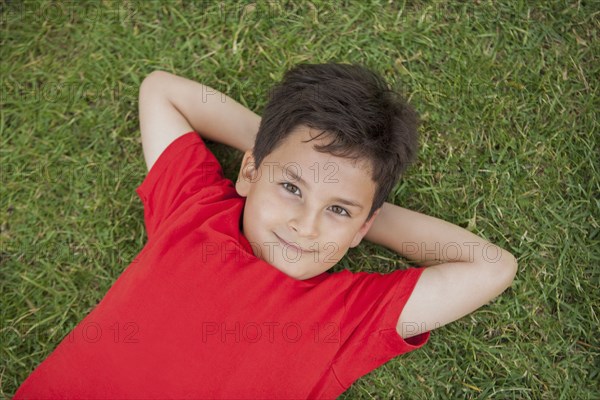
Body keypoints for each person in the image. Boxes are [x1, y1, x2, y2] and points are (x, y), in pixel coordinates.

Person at [14, 63, 517, 399]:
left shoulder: (345, 316)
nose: (305, 225)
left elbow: (490, 266)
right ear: (249, 171)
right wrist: (287, 156)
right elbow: (163, 89)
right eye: (292, 189)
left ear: (363, 227)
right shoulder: (196, 213)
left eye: (337, 212)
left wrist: (364, 211)